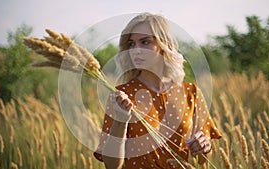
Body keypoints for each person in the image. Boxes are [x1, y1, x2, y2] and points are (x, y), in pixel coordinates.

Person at [94, 12, 221, 169]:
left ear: (164, 45)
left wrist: (204, 147)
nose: (136, 50)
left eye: (145, 42)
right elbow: (112, 165)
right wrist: (121, 119)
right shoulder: (122, 95)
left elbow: (203, 160)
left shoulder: (191, 92)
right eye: (131, 44)